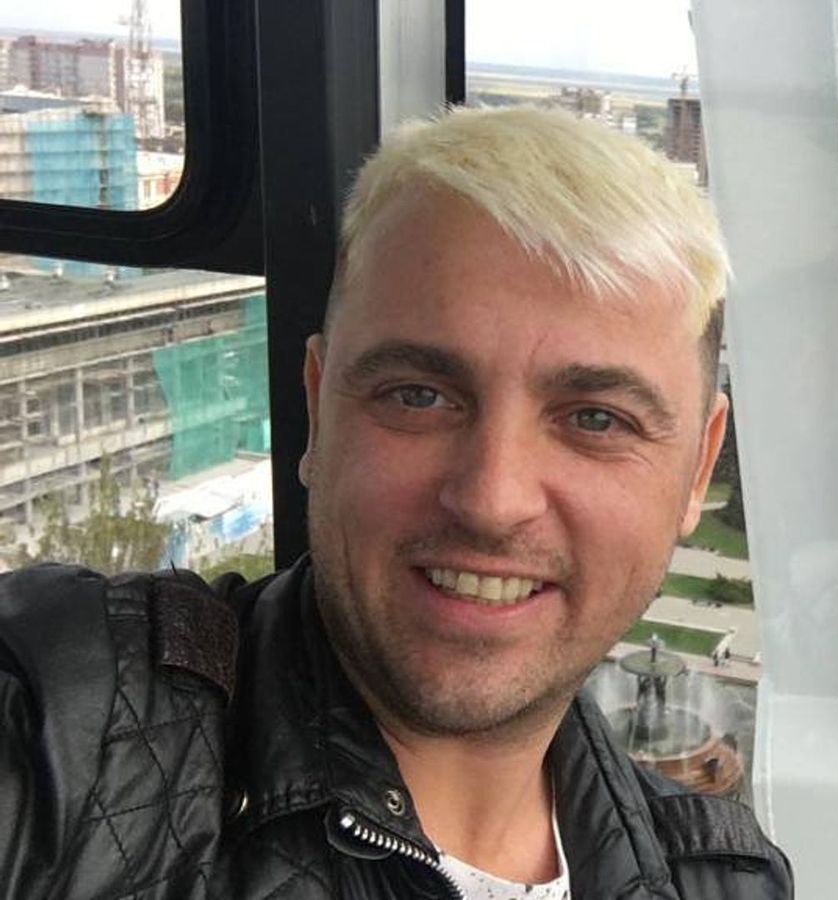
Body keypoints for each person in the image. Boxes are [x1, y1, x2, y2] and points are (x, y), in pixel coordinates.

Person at [0, 107, 791, 899]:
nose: (492, 500)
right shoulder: (65, 728)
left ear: (697, 469)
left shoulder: (726, 883)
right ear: (318, 411)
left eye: (595, 420)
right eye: (418, 396)